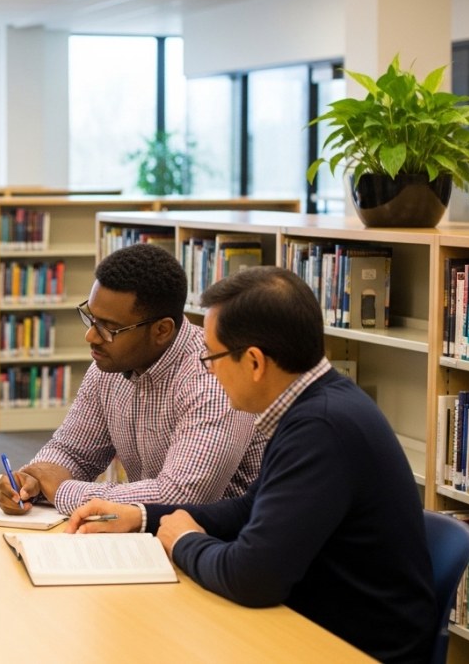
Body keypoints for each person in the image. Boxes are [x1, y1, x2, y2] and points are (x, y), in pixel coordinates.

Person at [66, 266, 435, 663]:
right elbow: (248, 508)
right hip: (315, 619)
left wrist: (186, 541)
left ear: (255, 362)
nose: (208, 369)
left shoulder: (321, 429)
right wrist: (141, 516)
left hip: (354, 646)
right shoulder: (315, 405)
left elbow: (253, 578)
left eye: (212, 356)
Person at [0, 243, 260, 515]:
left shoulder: (211, 379)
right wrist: (32, 482)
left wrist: (63, 491)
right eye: (91, 318)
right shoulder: (109, 366)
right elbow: (72, 450)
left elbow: (181, 495)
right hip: (147, 537)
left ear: (162, 330)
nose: (92, 337)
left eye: (109, 328)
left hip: (218, 544)